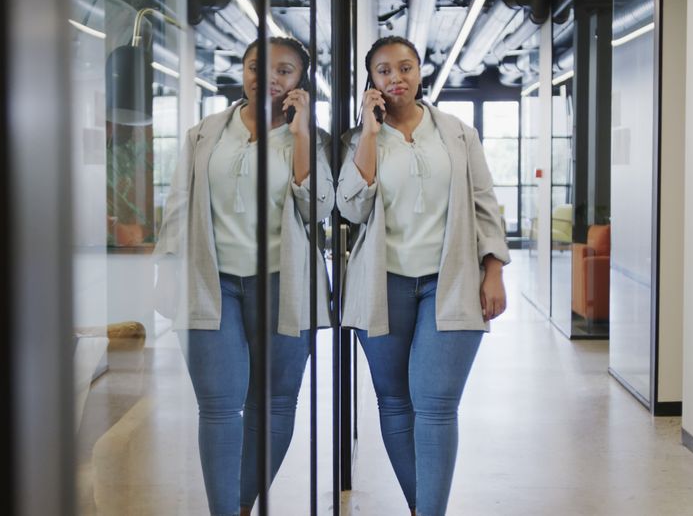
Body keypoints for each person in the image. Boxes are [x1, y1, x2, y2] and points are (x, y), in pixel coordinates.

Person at [153, 37, 333, 516]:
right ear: (243, 70)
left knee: (273, 404)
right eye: (258, 66)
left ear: (300, 82)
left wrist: (299, 136)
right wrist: (167, 268)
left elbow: (320, 208)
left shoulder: (309, 140)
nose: (268, 78)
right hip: (212, 283)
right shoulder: (205, 132)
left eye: (285, 71)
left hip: (283, 284)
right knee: (218, 406)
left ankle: (241, 505)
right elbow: (179, 204)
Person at [336, 36, 510, 516]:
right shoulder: (357, 140)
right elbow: (350, 207)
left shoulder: (457, 133)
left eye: (405, 68)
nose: (397, 78)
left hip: (448, 281)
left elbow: (484, 204)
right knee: (394, 403)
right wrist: (369, 135)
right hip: (382, 284)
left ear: (419, 73)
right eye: (385, 71)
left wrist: (493, 269)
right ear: (371, 81)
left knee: (435, 406)